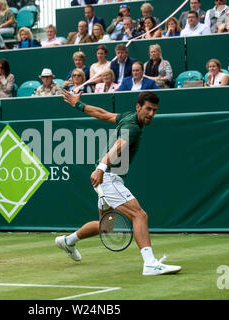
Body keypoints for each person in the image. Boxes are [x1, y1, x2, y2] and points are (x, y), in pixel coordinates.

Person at [56, 90, 182, 276]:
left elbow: (103, 114)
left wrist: (79, 105)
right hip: (109, 177)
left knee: (105, 226)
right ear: (138, 107)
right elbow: (119, 146)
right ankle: (150, 264)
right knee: (140, 215)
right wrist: (101, 167)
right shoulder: (133, 127)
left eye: (155, 110)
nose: (151, 114)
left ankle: (68, 241)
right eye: (148, 109)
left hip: (107, 178)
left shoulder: (128, 117)